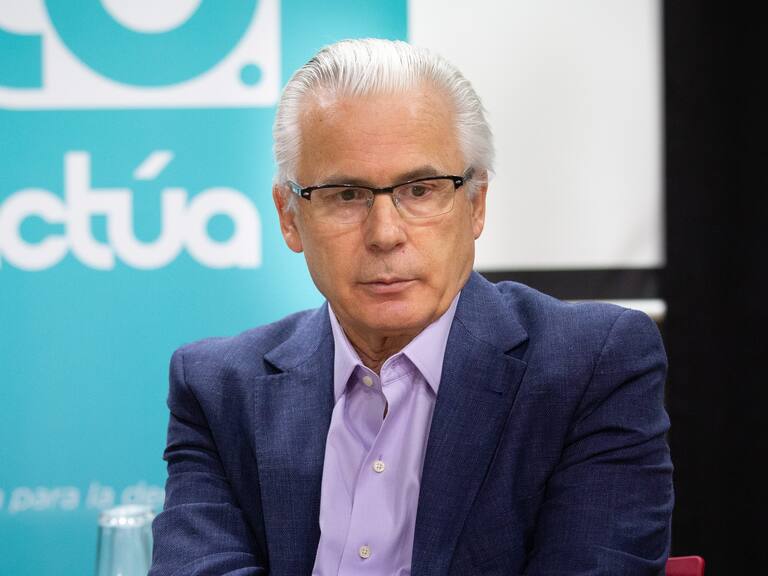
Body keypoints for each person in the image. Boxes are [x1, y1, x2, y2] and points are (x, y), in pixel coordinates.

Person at [149, 39, 673, 576]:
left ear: (476, 204)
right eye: (346, 194)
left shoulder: (590, 369)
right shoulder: (217, 389)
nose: (385, 234)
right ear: (289, 217)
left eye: (420, 190)